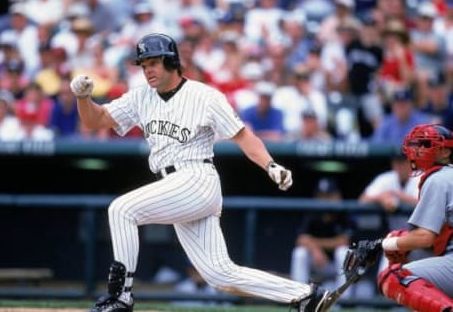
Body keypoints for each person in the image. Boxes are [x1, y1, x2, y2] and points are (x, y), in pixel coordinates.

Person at [69, 33, 329, 312]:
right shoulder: (141, 97)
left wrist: (270, 164)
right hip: (174, 185)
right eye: (143, 65)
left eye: (153, 63)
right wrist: (84, 98)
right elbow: (97, 120)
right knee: (220, 275)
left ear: (171, 62)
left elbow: (243, 137)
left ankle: (121, 296)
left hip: (196, 178)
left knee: (121, 210)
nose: (148, 71)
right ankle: (306, 295)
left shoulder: (204, 96)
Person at [376, 123, 453, 311]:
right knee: (401, 246)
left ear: (444, 152)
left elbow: (425, 237)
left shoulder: (438, 178)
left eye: (426, 145)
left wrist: (383, 244)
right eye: (417, 144)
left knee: (393, 276)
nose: (417, 150)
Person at [290, 178, 356, 298]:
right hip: (318, 263)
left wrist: (315, 245)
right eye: (321, 195)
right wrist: (314, 250)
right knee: (300, 253)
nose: (325, 199)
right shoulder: (313, 213)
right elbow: (301, 239)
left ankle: (344, 302)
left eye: (329, 195)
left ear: (337, 196)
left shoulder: (344, 213)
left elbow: (344, 241)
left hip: (337, 266)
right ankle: (299, 298)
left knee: (342, 252)